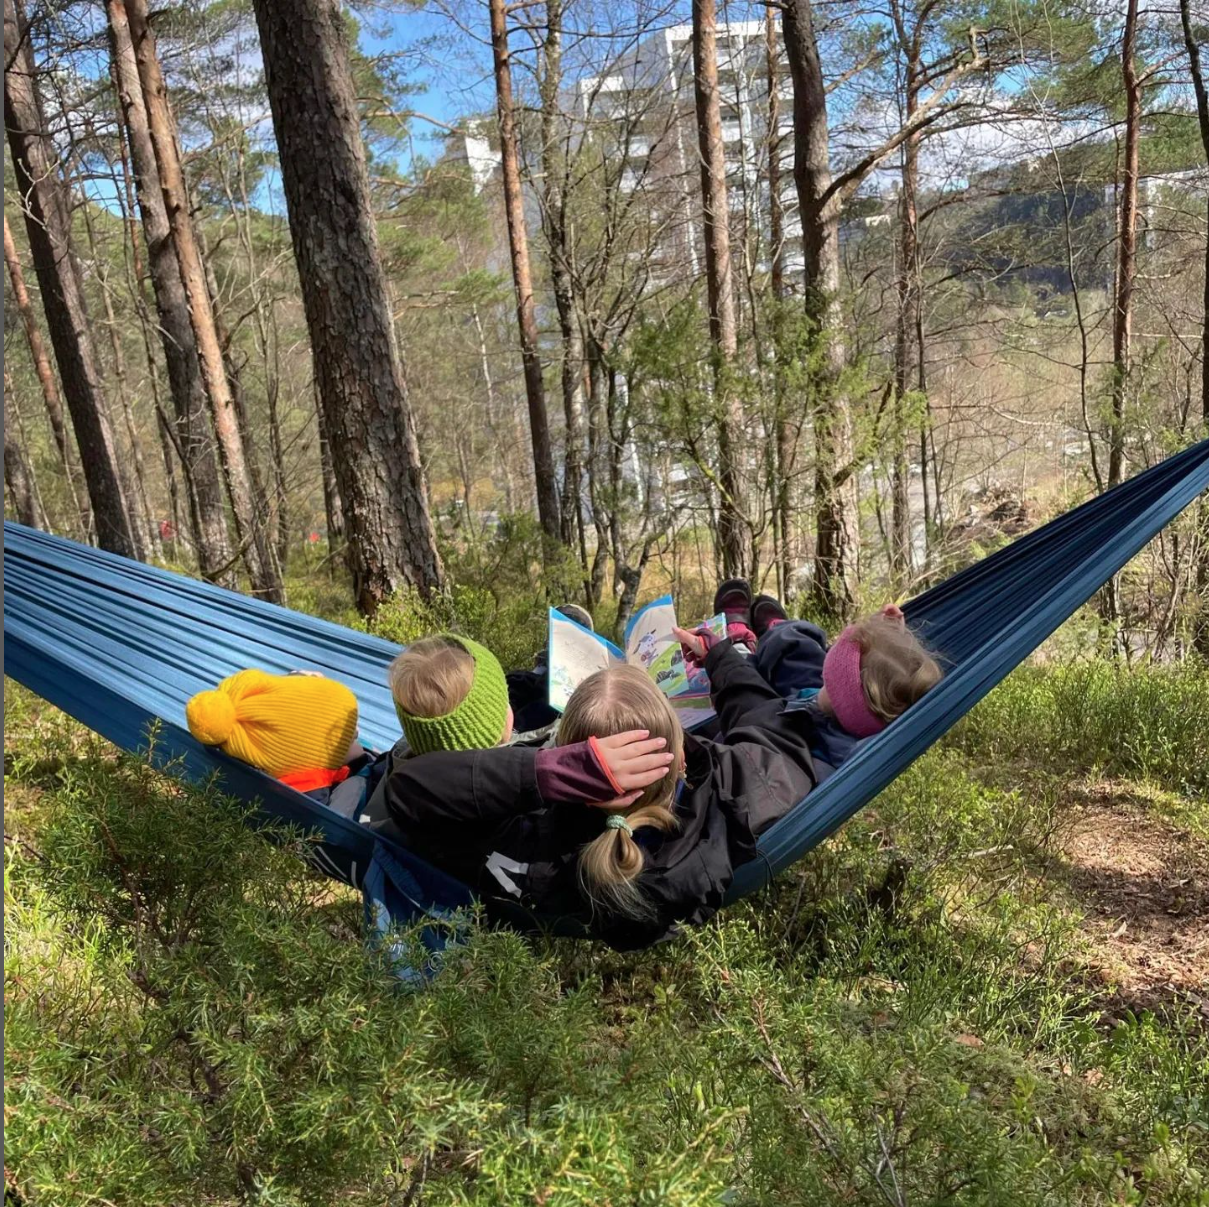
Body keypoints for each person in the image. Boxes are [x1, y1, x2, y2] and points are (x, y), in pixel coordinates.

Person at [367, 634, 820, 950]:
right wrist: (722, 658)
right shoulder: (737, 791)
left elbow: (409, 786)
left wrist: (549, 775)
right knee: (787, 648)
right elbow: (778, 735)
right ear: (678, 753)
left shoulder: (526, 832)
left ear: (569, 761)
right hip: (704, 765)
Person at [677, 579, 943, 781]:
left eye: (845, 644)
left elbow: (753, 715)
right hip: (810, 706)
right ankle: (773, 630)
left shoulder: (802, 753)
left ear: (838, 676)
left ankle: (741, 646)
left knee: (782, 653)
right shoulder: (853, 714)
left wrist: (720, 657)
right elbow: (888, 676)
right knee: (798, 648)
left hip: (784, 718)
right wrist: (889, 634)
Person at [184, 668, 363, 795]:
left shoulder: (247, 741)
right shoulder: (312, 791)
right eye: (347, 737)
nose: (356, 733)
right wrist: (358, 761)